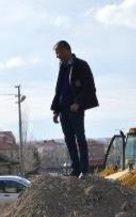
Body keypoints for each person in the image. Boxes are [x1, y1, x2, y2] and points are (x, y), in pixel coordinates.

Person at [50, 40, 99, 177]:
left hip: (75, 110)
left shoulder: (81, 65)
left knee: (80, 138)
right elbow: (59, 90)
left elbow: (89, 87)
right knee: (69, 140)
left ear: (66, 50)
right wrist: (56, 110)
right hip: (64, 110)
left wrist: (78, 103)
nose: (57, 56)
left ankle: (84, 170)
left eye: (58, 52)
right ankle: (75, 169)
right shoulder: (62, 67)